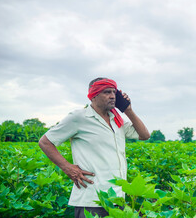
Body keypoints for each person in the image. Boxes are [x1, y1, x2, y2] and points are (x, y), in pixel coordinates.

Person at [39, 77, 150, 218]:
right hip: (91, 199)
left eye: (114, 92)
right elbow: (45, 142)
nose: (112, 96)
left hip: (118, 197)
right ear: (94, 95)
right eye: (107, 92)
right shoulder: (79, 117)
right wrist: (67, 168)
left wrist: (128, 110)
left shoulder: (116, 120)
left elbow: (144, 135)